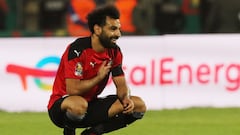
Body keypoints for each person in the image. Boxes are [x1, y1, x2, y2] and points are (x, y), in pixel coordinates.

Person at [47, 4, 146, 135]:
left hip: (90, 106)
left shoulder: (114, 52)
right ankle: (69, 131)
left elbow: (121, 83)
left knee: (139, 105)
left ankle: (93, 132)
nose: (118, 34)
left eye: (118, 29)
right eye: (113, 29)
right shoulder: (77, 50)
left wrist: (125, 98)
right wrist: (98, 78)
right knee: (79, 104)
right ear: (97, 29)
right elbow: (73, 90)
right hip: (63, 107)